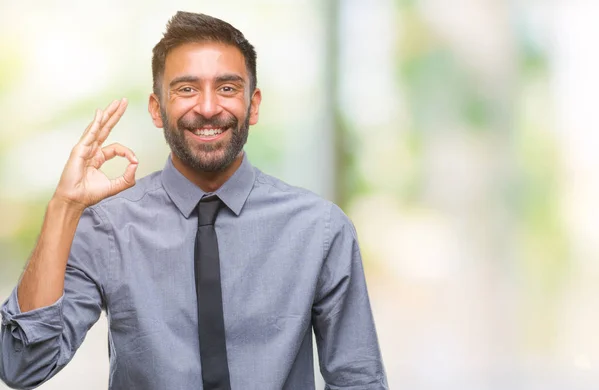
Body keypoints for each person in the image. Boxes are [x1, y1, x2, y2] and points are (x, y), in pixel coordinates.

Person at [0, 11, 388, 390]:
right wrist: (64, 205)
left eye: (227, 88)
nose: (206, 107)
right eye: (186, 89)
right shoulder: (108, 228)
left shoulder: (320, 229)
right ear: (157, 108)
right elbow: (21, 367)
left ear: (253, 105)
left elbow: (359, 380)